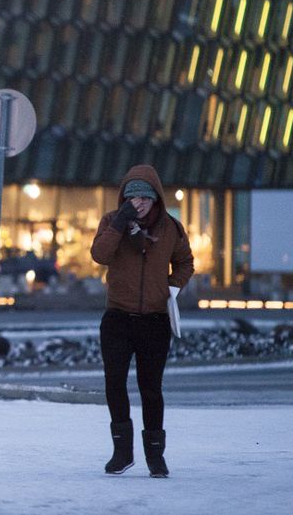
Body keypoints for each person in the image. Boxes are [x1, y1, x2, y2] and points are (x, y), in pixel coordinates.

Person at [91, 164, 194, 478]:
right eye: (132, 197)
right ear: (124, 198)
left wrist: (171, 288)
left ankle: (155, 457)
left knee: (151, 389)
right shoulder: (112, 221)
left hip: (154, 320)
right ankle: (122, 452)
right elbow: (100, 254)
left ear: (156, 199)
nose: (139, 203)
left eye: (145, 198)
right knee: (114, 384)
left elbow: (185, 262)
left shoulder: (170, 228)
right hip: (118, 318)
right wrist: (120, 223)